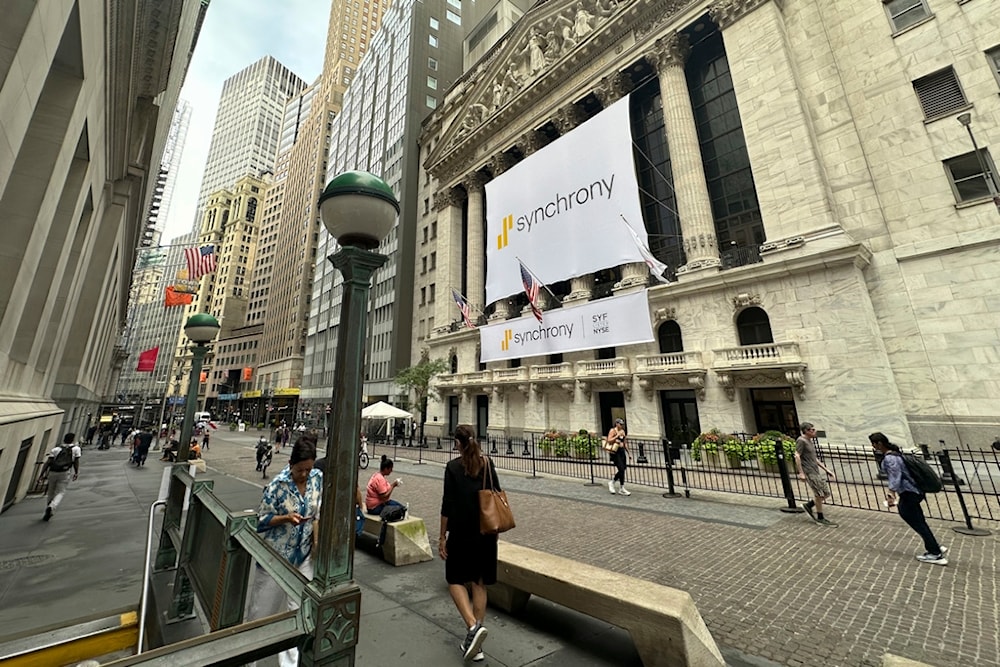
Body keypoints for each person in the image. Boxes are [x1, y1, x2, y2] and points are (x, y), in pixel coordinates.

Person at [247, 435, 322, 667]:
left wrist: (316, 541)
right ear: (291, 464)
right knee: (262, 613)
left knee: (297, 614)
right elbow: (261, 520)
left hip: (303, 557)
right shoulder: (278, 485)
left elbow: (317, 512)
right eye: (301, 469)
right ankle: (249, 660)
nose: (305, 474)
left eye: (309, 469)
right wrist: (285, 518)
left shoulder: (317, 478)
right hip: (276, 559)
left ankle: (289, 664)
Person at [439, 424, 499, 662]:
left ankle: (473, 628)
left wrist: (442, 536)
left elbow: (447, 505)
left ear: (457, 443)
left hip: (462, 533)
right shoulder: (488, 464)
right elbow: (497, 494)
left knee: (454, 579)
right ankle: (476, 644)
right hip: (486, 533)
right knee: (479, 583)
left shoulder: (453, 467)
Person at [869, 432, 948, 565]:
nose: (873, 446)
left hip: (909, 492)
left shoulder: (890, 458)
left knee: (912, 518)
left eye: (874, 443)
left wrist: (891, 494)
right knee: (919, 520)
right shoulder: (896, 453)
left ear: (879, 443)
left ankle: (935, 553)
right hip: (915, 491)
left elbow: (895, 475)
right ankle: (934, 546)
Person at [794, 422, 837, 526]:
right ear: (806, 431)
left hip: (815, 470)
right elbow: (797, 455)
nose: (815, 431)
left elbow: (814, 458)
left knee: (826, 493)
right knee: (819, 494)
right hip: (809, 471)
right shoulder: (801, 440)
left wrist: (827, 470)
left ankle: (808, 505)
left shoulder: (810, 441)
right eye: (812, 430)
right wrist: (801, 473)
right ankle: (820, 517)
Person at [37, 433, 81, 521]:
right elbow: (76, 461)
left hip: (53, 472)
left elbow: (48, 463)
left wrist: (41, 475)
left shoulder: (56, 449)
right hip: (65, 472)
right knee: (60, 492)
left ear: (64, 439)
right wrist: (76, 472)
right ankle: (52, 506)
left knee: (50, 491)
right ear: (72, 440)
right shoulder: (76, 449)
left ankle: (49, 508)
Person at [606, 418, 631, 496]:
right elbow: (609, 440)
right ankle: (612, 482)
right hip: (615, 452)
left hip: (621, 451)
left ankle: (621, 487)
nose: (621, 425)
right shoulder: (613, 430)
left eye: (622, 424)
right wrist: (616, 436)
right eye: (620, 424)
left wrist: (629, 453)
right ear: (616, 424)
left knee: (623, 469)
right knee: (621, 468)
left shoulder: (623, 431)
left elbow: (625, 442)